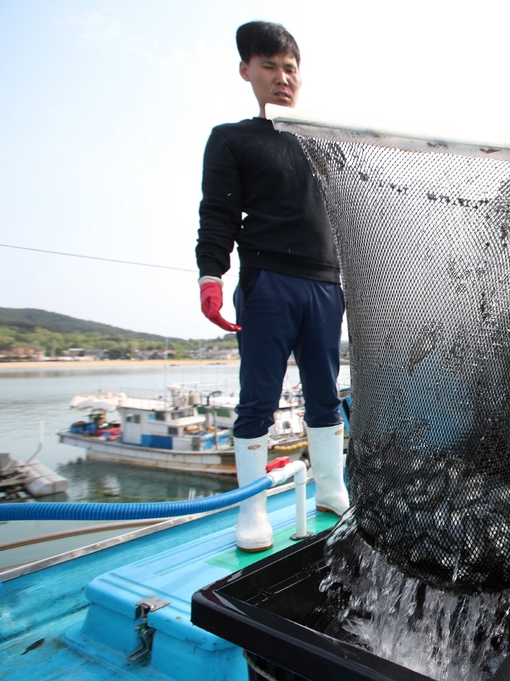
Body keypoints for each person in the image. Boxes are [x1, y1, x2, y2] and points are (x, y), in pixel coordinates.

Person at [196, 21, 348, 552]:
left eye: (290, 68)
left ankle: (331, 488)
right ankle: (252, 511)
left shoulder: (326, 143)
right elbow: (217, 214)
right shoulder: (232, 139)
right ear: (246, 72)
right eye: (269, 67)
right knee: (258, 399)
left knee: (327, 395)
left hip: (327, 285)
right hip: (267, 282)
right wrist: (211, 275)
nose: (282, 77)